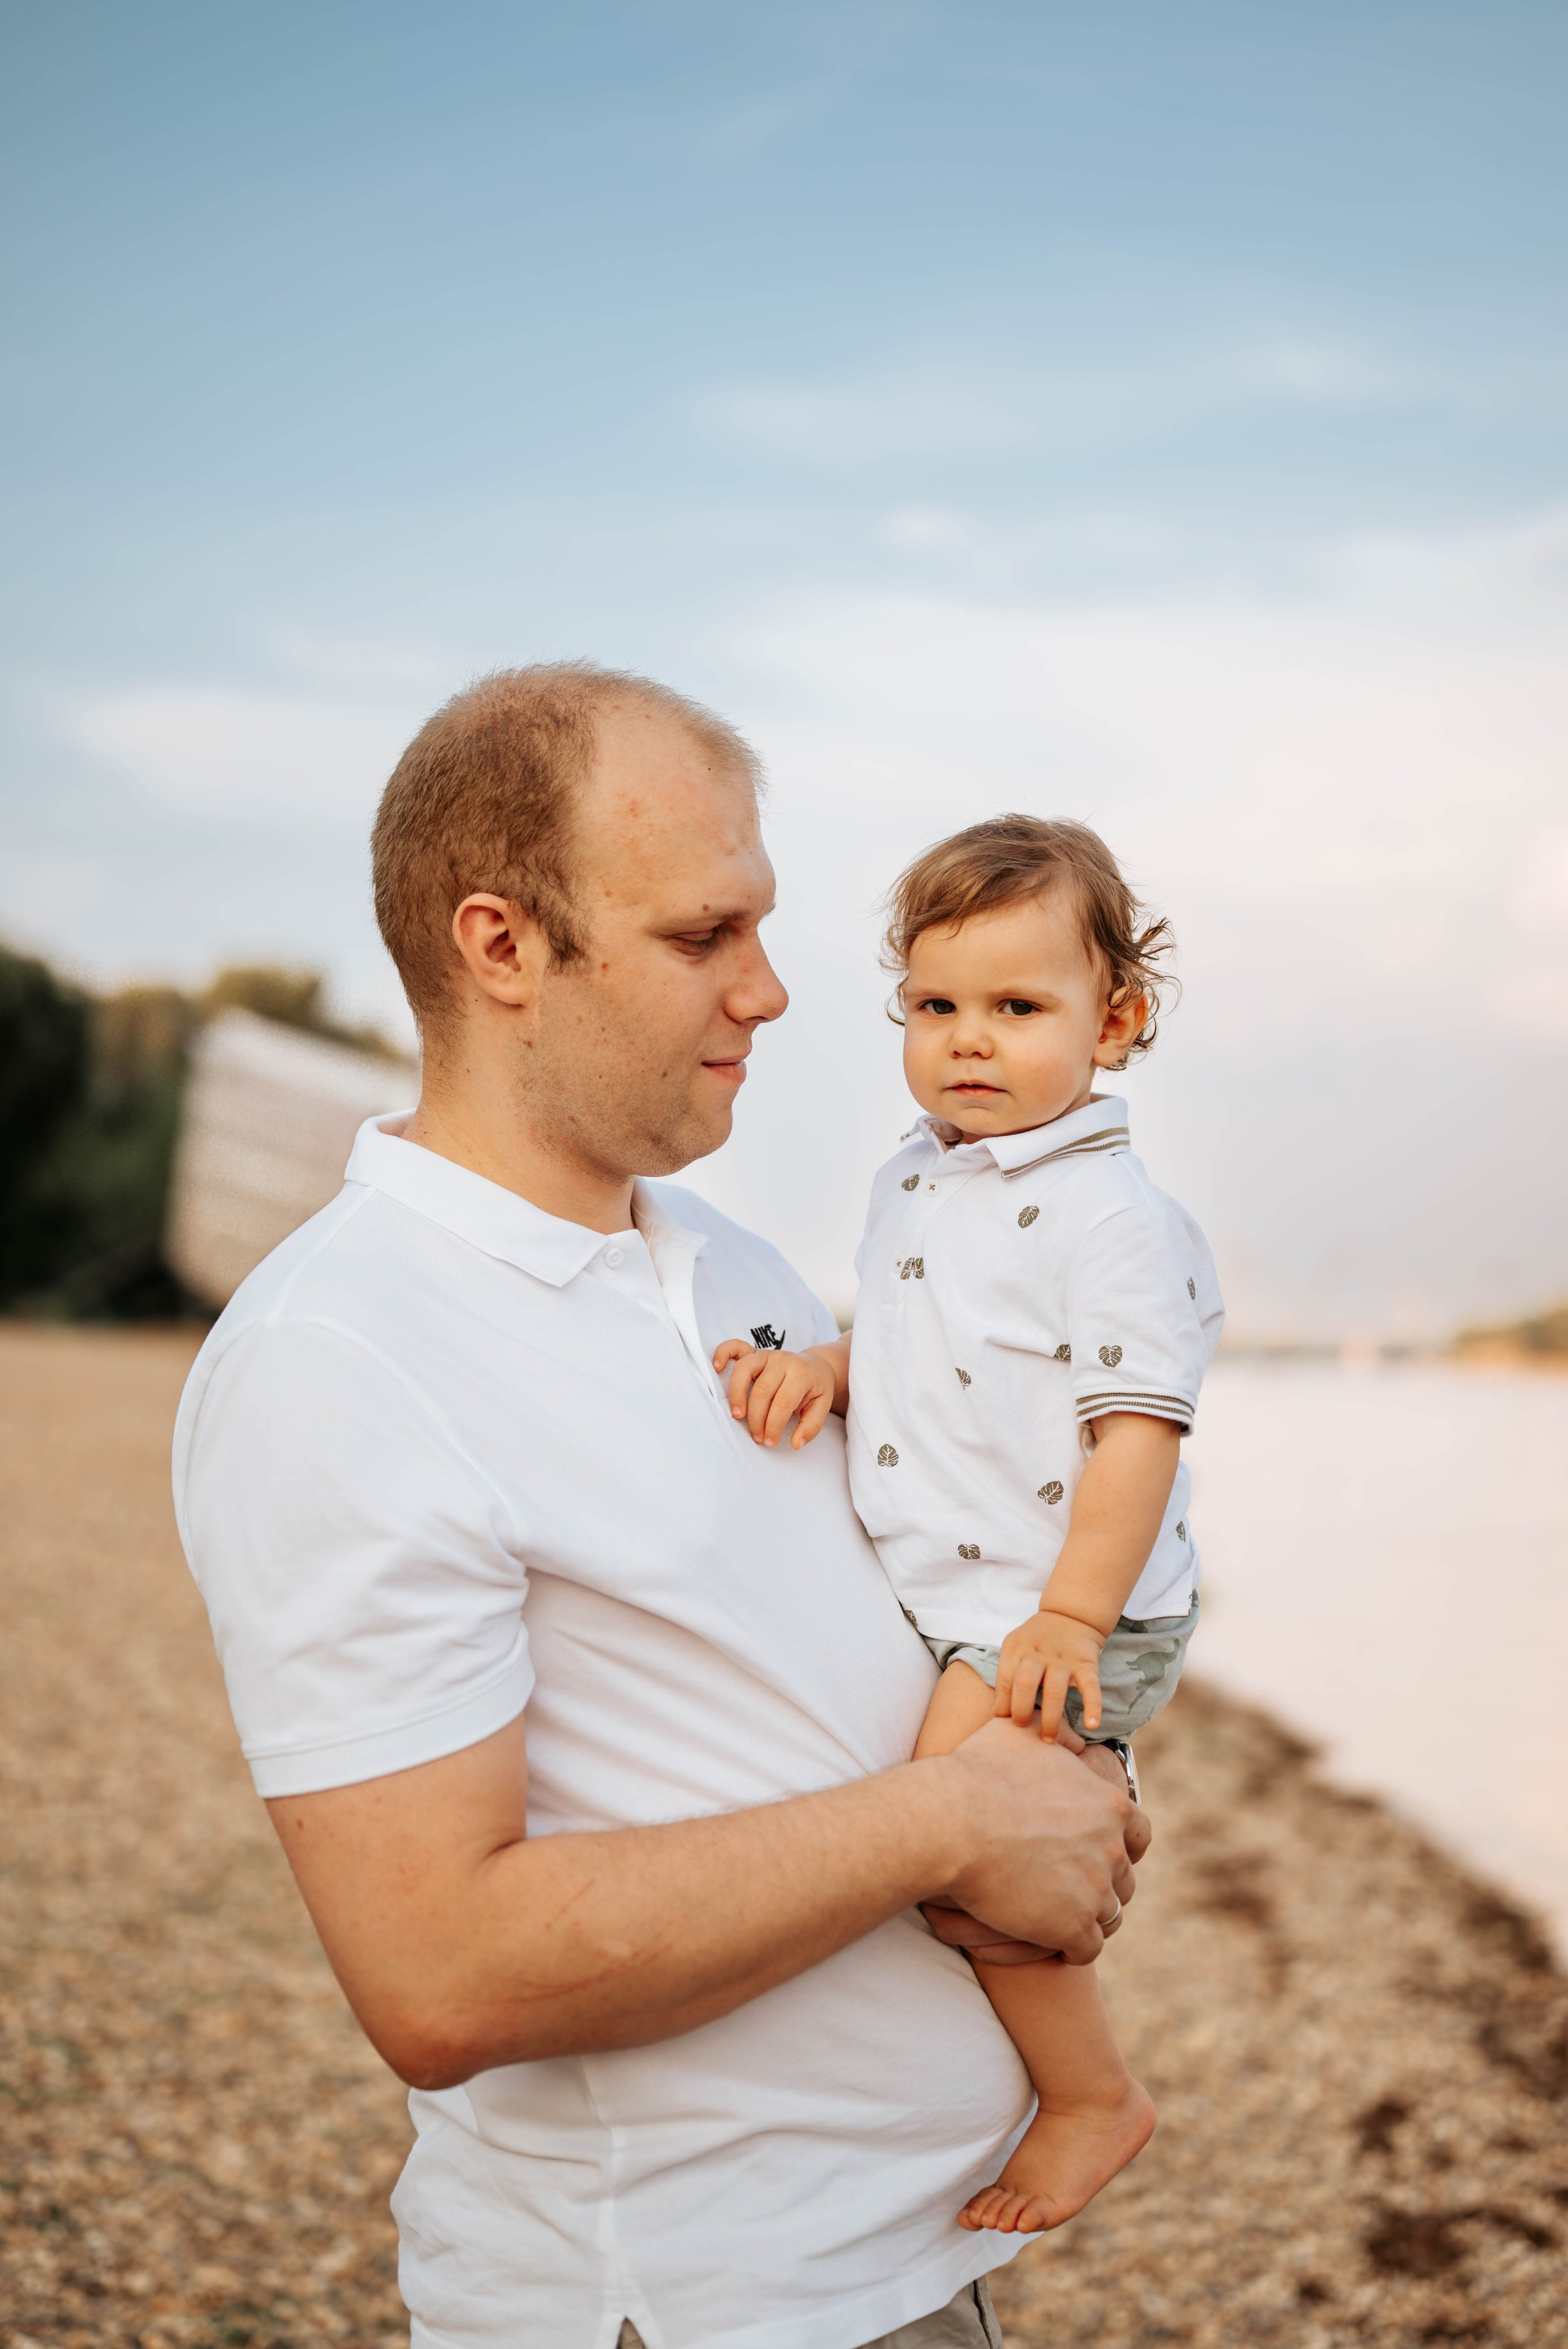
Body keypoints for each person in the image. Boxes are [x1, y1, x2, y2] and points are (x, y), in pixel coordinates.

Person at [172, 666, 1155, 2349]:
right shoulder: (339, 1354)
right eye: (705, 936)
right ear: (501, 948)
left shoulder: (734, 1268)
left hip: (911, 2256)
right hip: (690, 2305)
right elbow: (440, 1972)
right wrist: (967, 1821)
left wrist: (1067, 1782)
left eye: (764, 929)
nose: (771, 993)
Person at [715, 816, 1223, 2238]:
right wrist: (824, 1369)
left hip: (1061, 1602)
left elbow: (1136, 1432)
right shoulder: (917, 1177)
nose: (967, 1042)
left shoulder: (1108, 1215)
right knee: (940, 1832)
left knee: (965, 1844)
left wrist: (1069, 1618)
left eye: (1016, 1007)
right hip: (967, 1590)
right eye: (934, 1007)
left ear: (1112, 1022)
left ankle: (1088, 2097)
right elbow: (924, 1346)